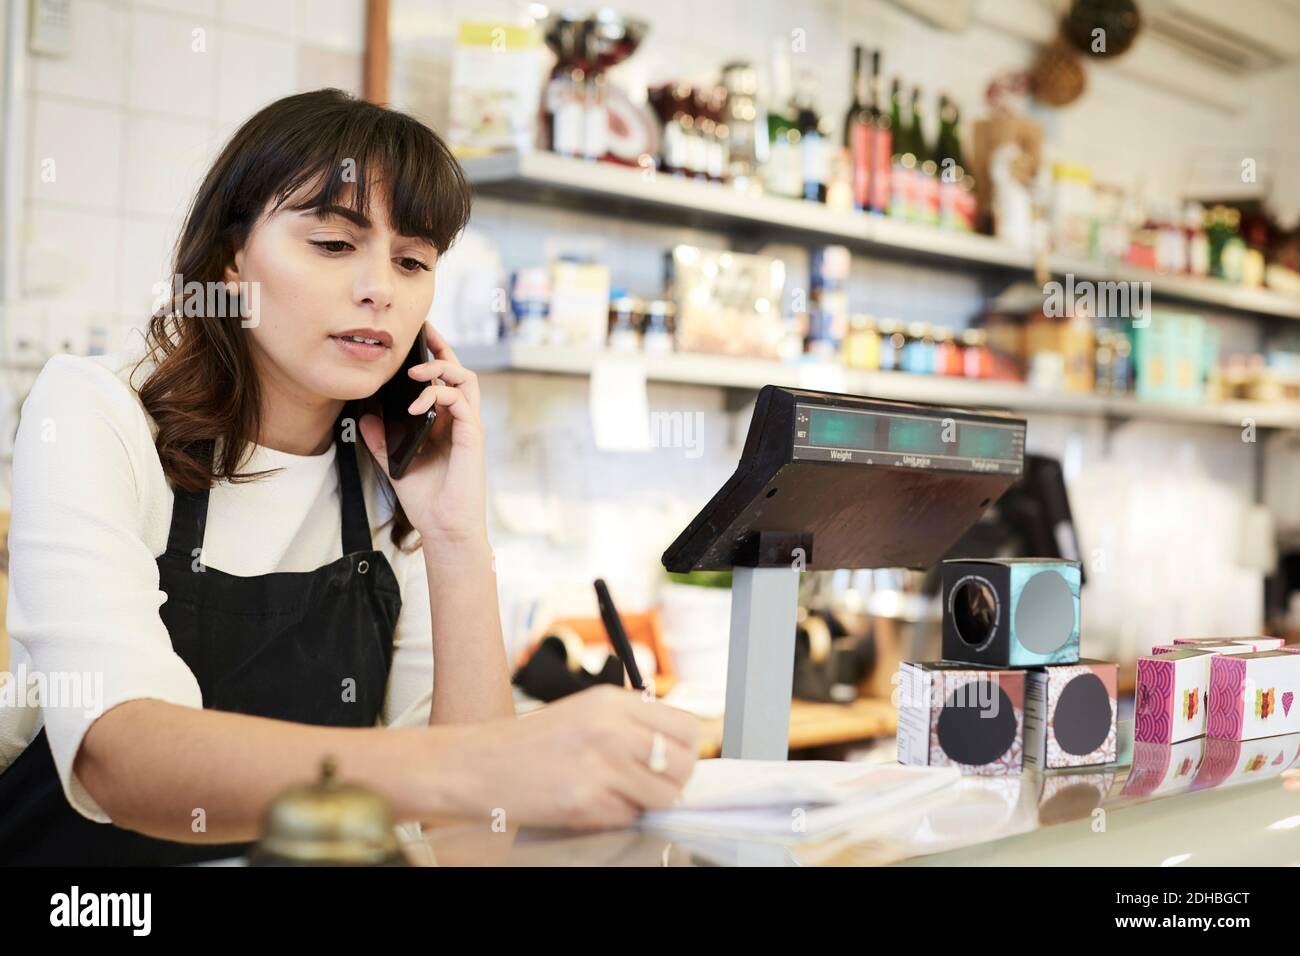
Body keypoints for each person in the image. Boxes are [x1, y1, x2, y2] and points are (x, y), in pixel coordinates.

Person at [0, 88, 698, 865]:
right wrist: (493, 766)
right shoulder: (97, 410)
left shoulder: (392, 469)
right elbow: (121, 757)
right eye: (334, 244)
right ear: (231, 261)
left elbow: (470, 842)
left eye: (412, 261)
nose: (381, 288)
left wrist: (455, 535)